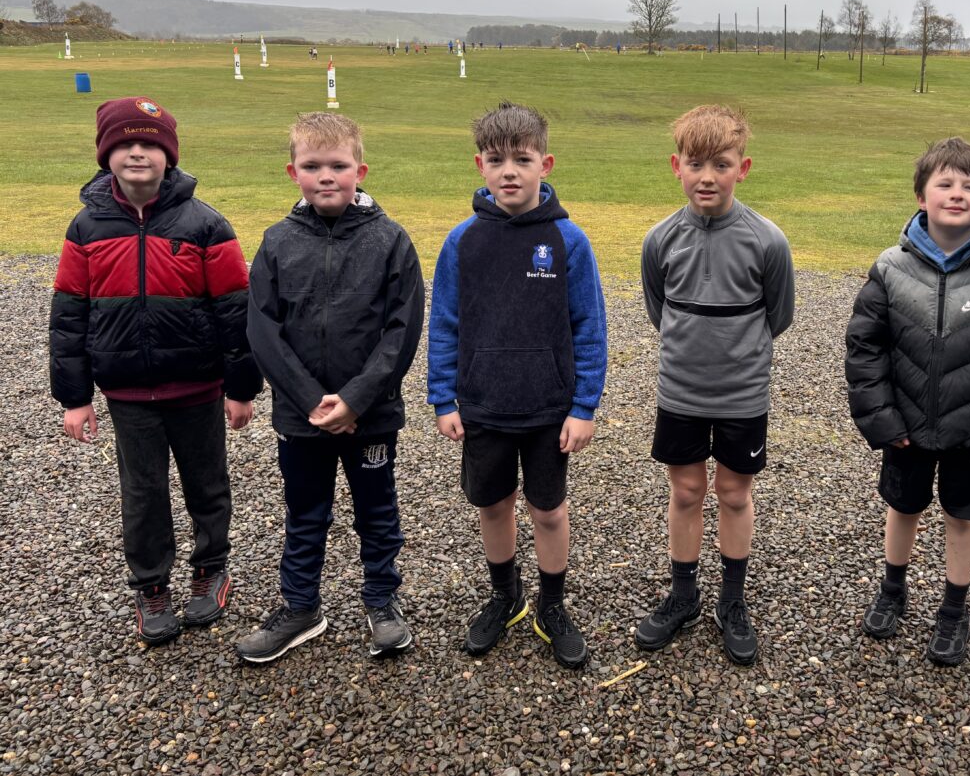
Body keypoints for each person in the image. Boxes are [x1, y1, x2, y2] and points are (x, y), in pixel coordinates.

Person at [50, 96, 262, 646]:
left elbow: (234, 311)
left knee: (206, 484)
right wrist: (75, 397)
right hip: (127, 392)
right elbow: (69, 315)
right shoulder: (86, 227)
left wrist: (241, 388)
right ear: (106, 155)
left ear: (170, 154)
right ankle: (150, 585)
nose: (137, 153)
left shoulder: (205, 223)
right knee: (142, 494)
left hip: (197, 386)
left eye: (149, 143)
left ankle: (211, 567)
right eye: (125, 144)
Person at [845, 137, 970, 665]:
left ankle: (954, 609)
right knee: (902, 507)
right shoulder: (890, 267)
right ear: (922, 196)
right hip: (906, 428)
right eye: (945, 184)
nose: (957, 193)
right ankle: (892, 589)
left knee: (963, 518)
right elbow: (865, 348)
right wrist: (882, 419)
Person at [235, 112, 423, 663]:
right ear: (292, 171)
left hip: (371, 416)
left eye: (338, 166)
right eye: (312, 165)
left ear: (359, 171)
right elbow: (263, 330)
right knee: (305, 512)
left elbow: (402, 329)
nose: (325, 176)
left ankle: (382, 602)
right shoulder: (277, 242)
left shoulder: (390, 240)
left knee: (377, 512)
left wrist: (357, 399)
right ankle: (300, 607)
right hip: (302, 418)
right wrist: (310, 400)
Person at [427, 101, 607, 670]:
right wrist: (443, 396)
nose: (509, 171)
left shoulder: (568, 241)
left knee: (548, 510)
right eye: (497, 160)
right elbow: (445, 324)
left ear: (544, 165)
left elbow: (589, 328)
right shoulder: (461, 242)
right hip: (483, 405)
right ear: (479, 165)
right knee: (494, 505)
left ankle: (552, 606)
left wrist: (584, 406)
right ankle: (506, 597)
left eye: (522, 160)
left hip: (549, 408)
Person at [635, 105, 795, 666]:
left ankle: (732, 598)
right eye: (696, 164)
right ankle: (683, 595)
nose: (707, 177)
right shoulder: (660, 239)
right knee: (685, 492)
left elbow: (778, 315)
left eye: (721, 165)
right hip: (680, 391)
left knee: (733, 493)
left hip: (742, 395)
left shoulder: (767, 241)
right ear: (676, 166)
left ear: (742, 169)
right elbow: (660, 311)